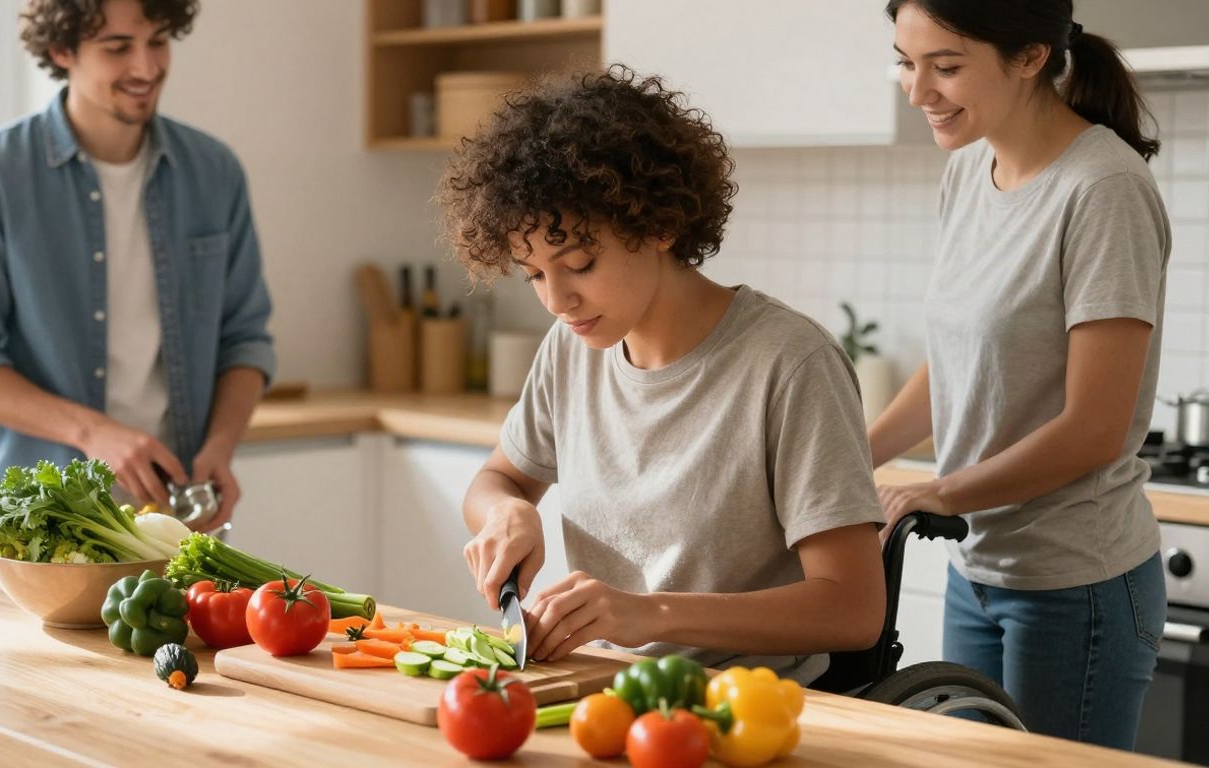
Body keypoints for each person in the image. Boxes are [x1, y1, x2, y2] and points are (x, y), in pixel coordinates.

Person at [436, 66, 886, 684]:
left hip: (750, 709)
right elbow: (496, 479)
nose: (556, 301)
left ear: (658, 226)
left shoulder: (790, 363)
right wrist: (506, 514)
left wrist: (647, 615)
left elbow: (852, 608)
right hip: (604, 690)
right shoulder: (570, 350)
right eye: (535, 274)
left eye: (580, 264)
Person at [871, 0, 1170, 748]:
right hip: (980, 566)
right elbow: (958, 364)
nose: (919, 92)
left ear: (1031, 56)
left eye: (945, 67)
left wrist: (939, 489)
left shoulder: (1103, 189)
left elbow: (1095, 430)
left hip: (1077, 585)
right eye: (908, 63)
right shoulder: (969, 170)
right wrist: (852, 455)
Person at [0, 0, 275, 530]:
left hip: (177, 515)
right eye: (117, 48)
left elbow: (245, 339)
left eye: (157, 41)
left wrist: (219, 448)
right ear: (61, 49)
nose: (146, 68)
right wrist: (95, 434)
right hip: (39, 521)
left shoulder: (214, 173)